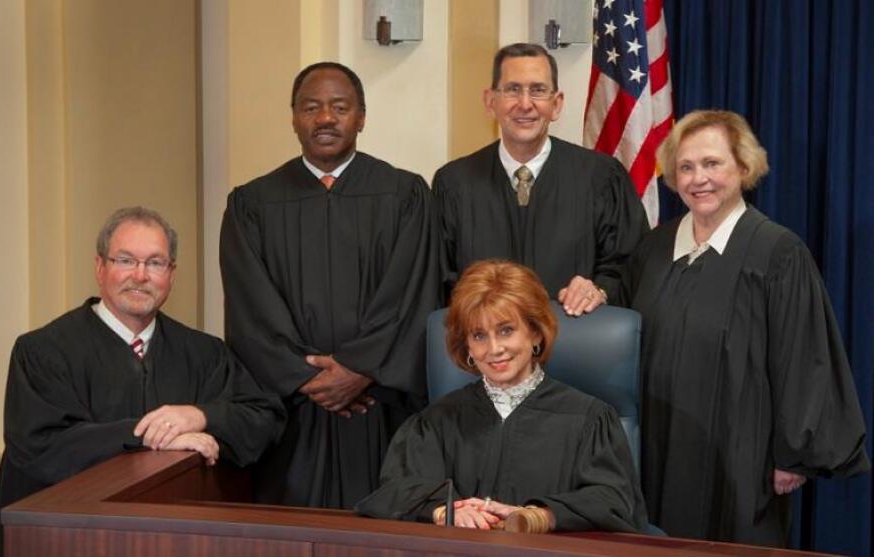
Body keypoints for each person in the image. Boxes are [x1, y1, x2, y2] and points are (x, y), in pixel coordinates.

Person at [618, 110, 870, 546]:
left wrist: (791, 456)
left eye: (713, 163)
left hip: (742, 454)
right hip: (658, 445)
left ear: (743, 166)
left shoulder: (777, 252)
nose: (700, 179)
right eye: (687, 167)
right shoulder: (655, 248)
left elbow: (801, 356)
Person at [0, 207, 285, 557]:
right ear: (100, 267)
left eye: (156, 263)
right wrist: (152, 434)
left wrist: (200, 416)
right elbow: (40, 446)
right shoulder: (42, 351)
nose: (140, 275)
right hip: (68, 542)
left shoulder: (205, 353)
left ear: (172, 274)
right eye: (125, 260)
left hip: (174, 541)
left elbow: (265, 418)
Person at [220, 62, 439, 510]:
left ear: (361, 116)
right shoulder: (252, 203)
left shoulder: (405, 195)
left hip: (381, 407)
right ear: (294, 117)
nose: (325, 118)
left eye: (339, 107)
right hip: (294, 413)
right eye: (311, 107)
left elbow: (414, 293)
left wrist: (361, 369)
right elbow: (250, 307)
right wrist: (310, 379)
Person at [356, 260, 646, 533]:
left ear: (535, 333)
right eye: (479, 336)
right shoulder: (437, 421)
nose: (494, 349)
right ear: (467, 346)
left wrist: (537, 517)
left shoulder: (588, 419)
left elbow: (614, 502)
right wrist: (444, 512)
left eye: (506, 330)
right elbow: (394, 491)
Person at [433, 43, 648, 315]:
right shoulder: (454, 184)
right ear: (491, 102)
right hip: (485, 349)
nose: (525, 104)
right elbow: (439, 281)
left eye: (538, 90)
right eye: (512, 90)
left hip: (575, 345)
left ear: (556, 104)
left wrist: (599, 289)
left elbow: (631, 265)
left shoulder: (601, 178)